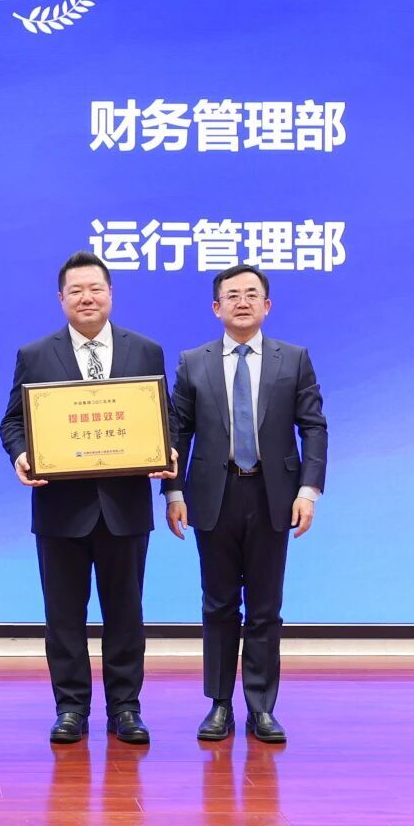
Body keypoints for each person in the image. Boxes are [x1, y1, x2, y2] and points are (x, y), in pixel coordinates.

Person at [0, 251, 176, 745]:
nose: (86, 298)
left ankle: (126, 708)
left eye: (95, 288)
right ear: (61, 299)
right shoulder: (36, 354)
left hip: (125, 507)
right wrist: (22, 454)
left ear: (110, 294)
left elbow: (164, 417)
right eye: (76, 290)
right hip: (60, 508)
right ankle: (71, 708)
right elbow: (13, 421)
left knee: (126, 615)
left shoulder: (146, 351)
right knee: (63, 617)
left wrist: (166, 448)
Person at [164, 264, 327, 744]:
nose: (242, 302)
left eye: (252, 294)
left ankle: (261, 707)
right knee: (218, 605)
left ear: (267, 306)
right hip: (213, 495)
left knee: (265, 607)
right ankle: (219, 705)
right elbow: (177, 432)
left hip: (273, 494)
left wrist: (308, 490)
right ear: (216, 307)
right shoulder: (193, 362)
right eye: (232, 295)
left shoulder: (293, 359)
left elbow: (313, 426)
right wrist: (173, 492)